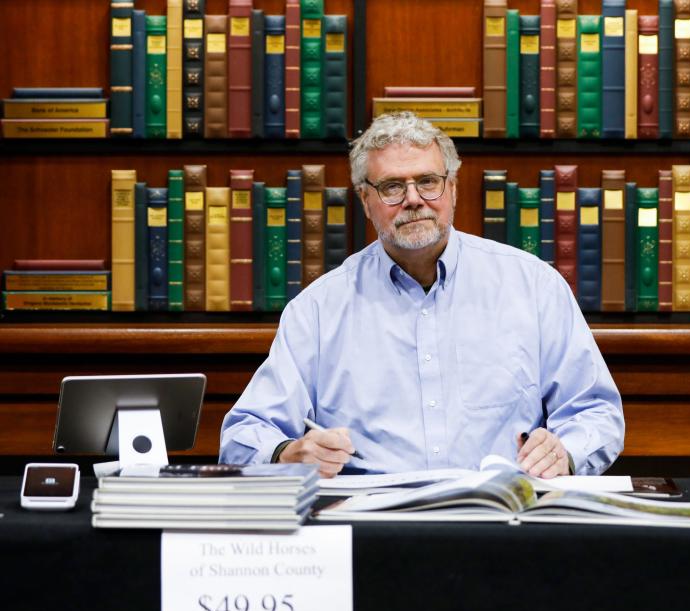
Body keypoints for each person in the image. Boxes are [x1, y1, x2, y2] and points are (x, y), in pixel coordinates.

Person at [220, 112, 624, 478]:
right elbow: (245, 433)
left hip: (499, 522)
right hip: (372, 528)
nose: (413, 199)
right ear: (365, 200)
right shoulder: (319, 309)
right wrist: (286, 454)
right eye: (393, 187)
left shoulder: (533, 286)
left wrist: (566, 452)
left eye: (428, 182)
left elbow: (596, 411)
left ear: (452, 188)